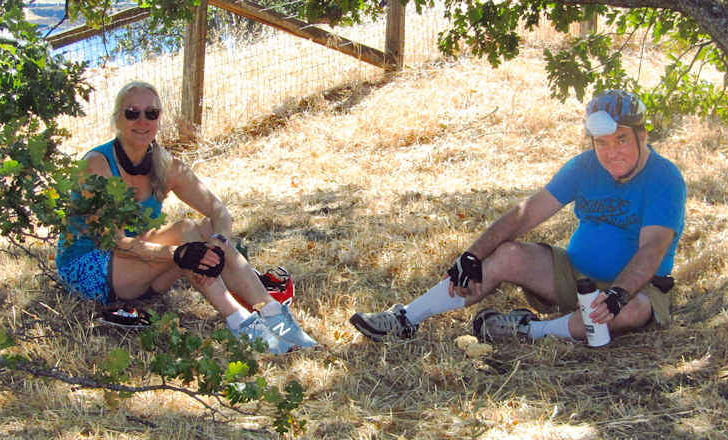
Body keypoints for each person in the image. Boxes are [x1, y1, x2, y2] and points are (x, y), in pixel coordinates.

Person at [350, 90, 686, 344]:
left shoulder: (664, 178)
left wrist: (618, 294)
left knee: (635, 311)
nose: (611, 153)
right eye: (602, 143)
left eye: (622, 140)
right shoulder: (584, 166)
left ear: (643, 136)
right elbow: (526, 214)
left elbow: (652, 249)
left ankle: (528, 330)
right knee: (508, 254)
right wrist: (472, 255)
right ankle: (406, 318)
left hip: (633, 290)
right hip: (574, 277)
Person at [56, 81, 316, 354]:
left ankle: (274, 314)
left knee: (205, 230)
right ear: (117, 118)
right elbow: (117, 240)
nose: (142, 121)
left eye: (151, 113)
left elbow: (218, 211)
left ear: (159, 119)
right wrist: (178, 254)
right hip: (92, 267)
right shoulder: (98, 165)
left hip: (141, 270)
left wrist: (217, 242)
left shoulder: (164, 163)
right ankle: (239, 320)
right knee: (185, 230)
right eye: (132, 113)